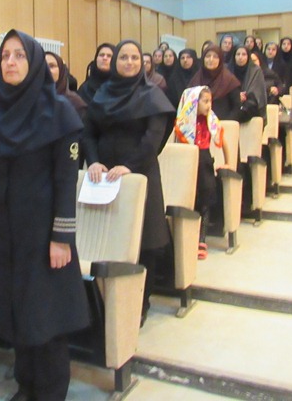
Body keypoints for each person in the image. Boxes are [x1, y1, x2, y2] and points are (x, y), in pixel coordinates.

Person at [0, 30, 88, 401]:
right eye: (5, 55)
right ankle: (26, 385)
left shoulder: (59, 111)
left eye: (20, 55)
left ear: (34, 63)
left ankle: (50, 392)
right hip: (5, 231)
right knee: (16, 311)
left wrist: (61, 238)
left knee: (46, 317)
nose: (10, 62)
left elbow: (66, 181)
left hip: (43, 234)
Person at [82, 39, 175, 325]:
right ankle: (106, 303)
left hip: (140, 174)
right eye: (123, 57)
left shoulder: (152, 94)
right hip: (104, 176)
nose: (130, 62)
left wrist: (129, 166)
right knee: (109, 238)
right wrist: (93, 160)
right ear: (115, 62)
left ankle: (140, 303)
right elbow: (88, 133)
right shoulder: (102, 93)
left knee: (145, 240)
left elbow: (153, 137)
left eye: (135, 58)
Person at [174, 86, 231, 260]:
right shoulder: (184, 121)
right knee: (191, 199)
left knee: (206, 199)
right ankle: (188, 237)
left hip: (204, 160)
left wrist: (228, 162)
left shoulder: (211, 120)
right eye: (205, 101)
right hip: (188, 161)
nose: (208, 105)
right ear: (194, 103)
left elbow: (223, 141)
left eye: (210, 101)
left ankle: (202, 239)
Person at [188, 44, 242, 121]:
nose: (211, 59)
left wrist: (223, 123)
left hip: (224, 124)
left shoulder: (229, 80)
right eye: (208, 56)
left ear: (220, 60)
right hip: (198, 125)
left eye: (215, 57)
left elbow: (237, 108)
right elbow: (189, 105)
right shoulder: (196, 79)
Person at [45, 51, 87, 118]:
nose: (47, 70)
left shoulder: (75, 103)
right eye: (43, 66)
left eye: (52, 66)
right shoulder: (32, 98)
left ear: (61, 70)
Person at [231, 46, 267, 123]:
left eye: (244, 54)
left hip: (250, 109)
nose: (240, 57)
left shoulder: (255, 70)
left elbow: (258, 93)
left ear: (248, 56)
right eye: (238, 54)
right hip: (232, 106)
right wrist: (236, 96)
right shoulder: (228, 70)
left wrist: (245, 96)